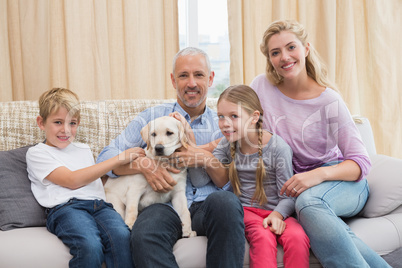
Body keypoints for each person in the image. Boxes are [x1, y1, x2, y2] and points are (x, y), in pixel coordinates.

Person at [250, 20, 391, 267]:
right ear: (269, 58)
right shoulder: (261, 87)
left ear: (305, 48)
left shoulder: (329, 101)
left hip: (343, 184)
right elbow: (236, 125)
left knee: (309, 202)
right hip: (298, 192)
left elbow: (360, 163)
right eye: (275, 52)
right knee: (320, 217)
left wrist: (317, 175)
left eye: (291, 47)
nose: (284, 57)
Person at [96, 47, 245, 267]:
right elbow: (105, 158)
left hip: (208, 203)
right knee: (144, 234)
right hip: (162, 204)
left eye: (199, 75)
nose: (191, 83)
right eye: (183, 75)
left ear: (211, 78)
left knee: (227, 203)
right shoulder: (153, 117)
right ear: (173, 80)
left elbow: (233, 182)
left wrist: (204, 158)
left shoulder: (223, 123)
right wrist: (146, 165)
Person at [26, 88, 142, 268]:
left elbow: (94, 181)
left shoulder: (83, 149)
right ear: (41, 123)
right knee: (90, 245)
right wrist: (119, 159)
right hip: (67, 208)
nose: (66, 130)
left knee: (122, 236)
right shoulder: (37, 153)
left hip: (100, 206)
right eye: (58, 122)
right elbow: (73, 180)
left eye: (72, 123)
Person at [209, 85, 310, 268]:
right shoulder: (226, 145)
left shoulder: (279, 148)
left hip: (279, 210)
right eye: (220, 116)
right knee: (263, 236)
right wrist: (198, 155)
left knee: (297, 237)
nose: (225, 123)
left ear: (254, 117)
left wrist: (278, 215)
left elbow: (288, 195)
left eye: (234, 116)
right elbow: (203, 178)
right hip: (246, 211)